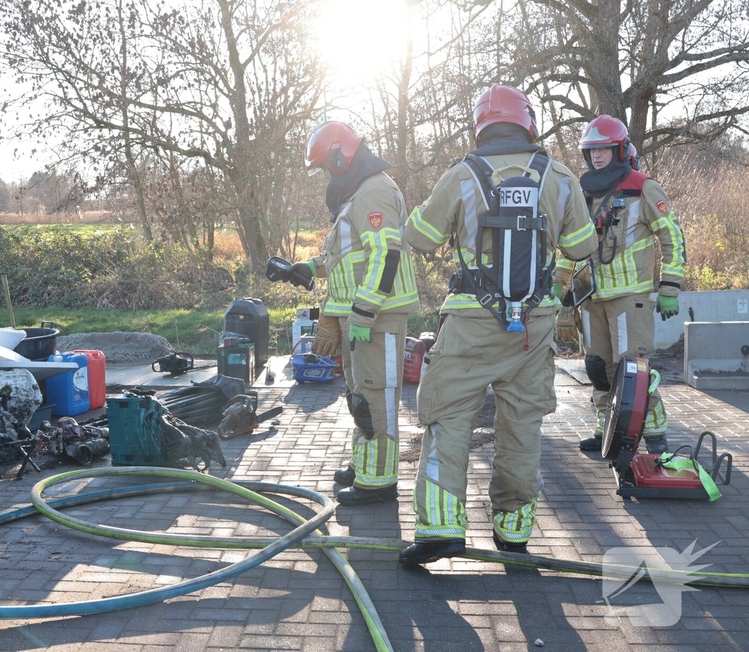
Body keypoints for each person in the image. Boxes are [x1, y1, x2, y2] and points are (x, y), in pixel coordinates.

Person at [398, 84, 597, 564]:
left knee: (448, 415)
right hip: (535, 326)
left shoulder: (462, 175)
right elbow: (584, 247)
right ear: (527, 122)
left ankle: (442, 528)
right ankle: (513, 530)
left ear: (481, 126)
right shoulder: (562, 177)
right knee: (521, 426)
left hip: (470, 321)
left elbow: (419, 239)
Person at [291, 120, 419, 506]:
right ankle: (364, 464)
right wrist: (308, 268)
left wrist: (363, 313)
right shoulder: (356, 192)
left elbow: (386, 254)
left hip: (378, 315)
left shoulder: (374, 190)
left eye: (327, 166)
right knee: (360, 396)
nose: (326, 175)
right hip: (359, 316)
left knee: (377, 397)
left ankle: (380, 482)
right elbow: (347, 254)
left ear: (340, 155)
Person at [557, 115, 686, 455]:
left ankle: (656, 434)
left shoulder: (643, 186)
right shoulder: (582, 194)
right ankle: (605, 429)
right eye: (591, 151)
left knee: (632, 370)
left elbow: (671, 236)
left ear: (619, 150)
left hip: (630, 298)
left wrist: (670, 286)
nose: (597, 157)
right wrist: (561, 292)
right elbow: (571, 246)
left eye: (603, 149)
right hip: (591, 298)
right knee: (598, 369)